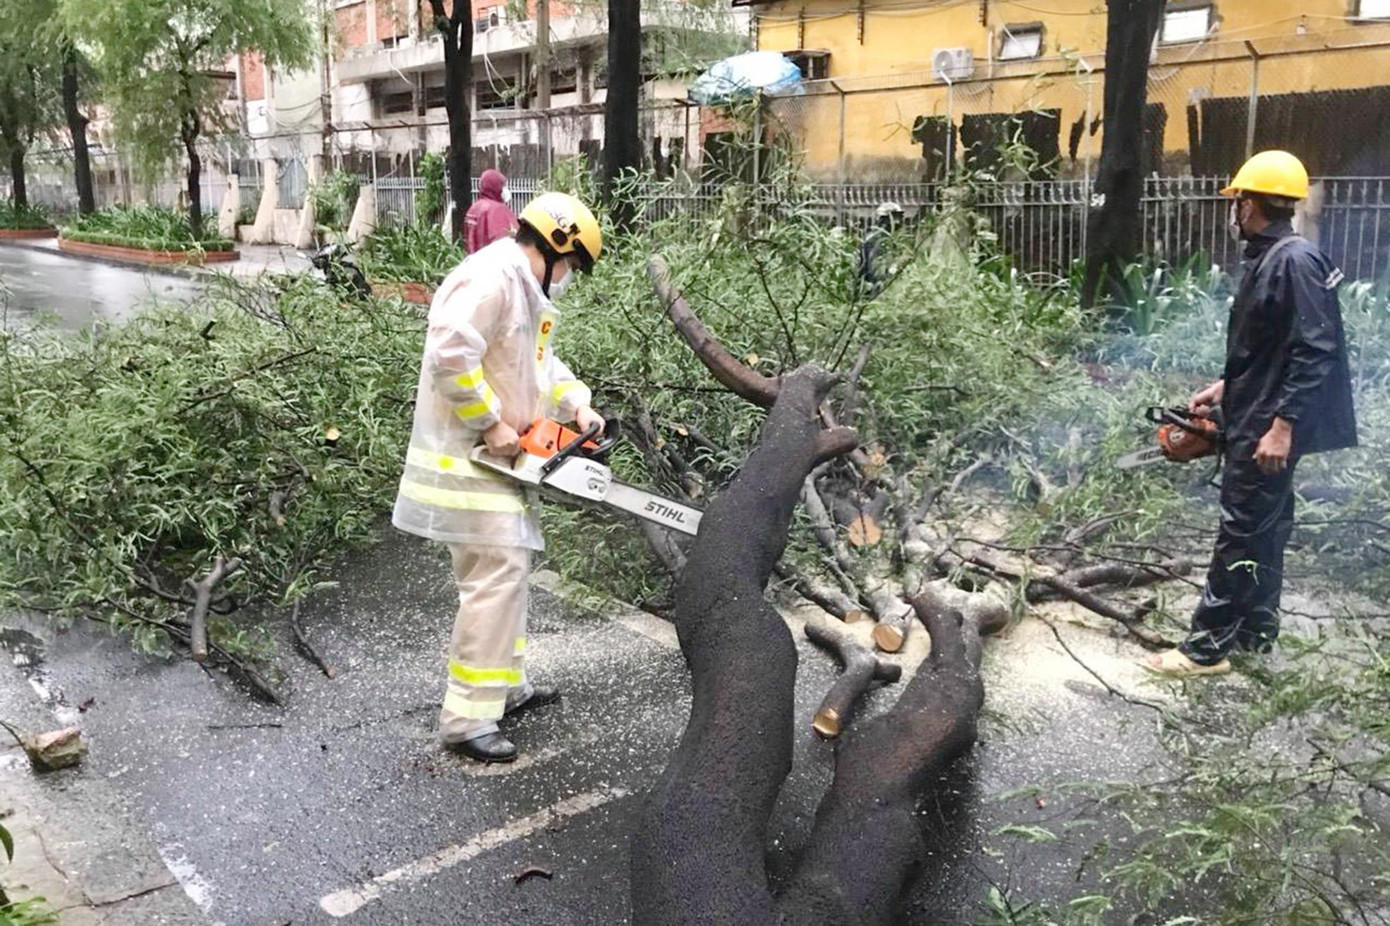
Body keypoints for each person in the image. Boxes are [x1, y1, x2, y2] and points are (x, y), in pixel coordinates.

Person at [393, 192, 604, 762]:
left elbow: (536, 368)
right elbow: (448, 354)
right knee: (495, 578)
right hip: (466, 460)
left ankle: (503, 688)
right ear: (555, 247)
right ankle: (467, 719)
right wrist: (490, 423)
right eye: (572, 265)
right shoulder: (490, 279)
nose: (569, 277)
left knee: (508, 575)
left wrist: (577, 405)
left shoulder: (523, 290)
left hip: (493, 463)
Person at [1144, 150, 1357, 678]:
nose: (1233, 209)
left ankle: (1205, 650)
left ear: (1250, 205)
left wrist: (1283, 427)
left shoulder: (1293, 261)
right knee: (1267, 528)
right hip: (1255, 410)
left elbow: (1316, 351)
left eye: (1237, 200)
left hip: (1267, 425)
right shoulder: (1273, 257)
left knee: (1239, 531)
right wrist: (1224, 389)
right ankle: (1255, 632)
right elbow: (1271, 346)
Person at [464, 168, 518, 254]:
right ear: (496, 187)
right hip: (494, 260)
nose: (505, 189)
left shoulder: (473, 208)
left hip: (475, 259)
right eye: (503, 185)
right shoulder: (497, 210)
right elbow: (503, 241)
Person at [859, 201, 903, 299]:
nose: (897, 222)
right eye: (894, 218)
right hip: (874, 287)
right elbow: (875, 270)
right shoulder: (876, 239)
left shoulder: (890, 238)